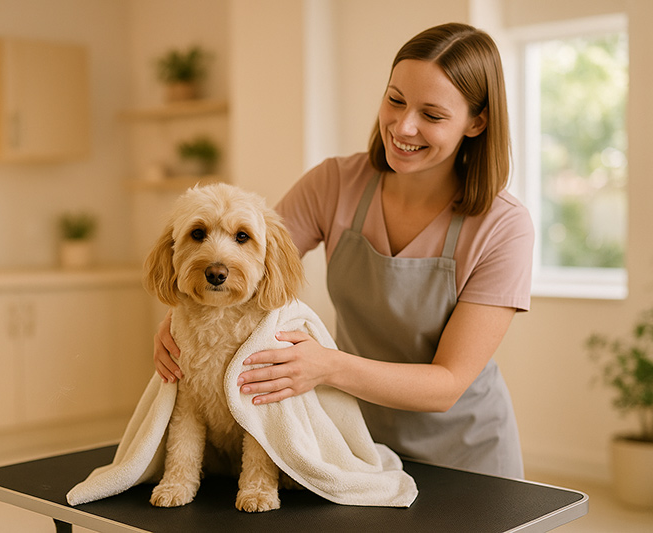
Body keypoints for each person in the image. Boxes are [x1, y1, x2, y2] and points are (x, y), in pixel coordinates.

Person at [153, 22, 533, 479]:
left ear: (477, 121)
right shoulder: (334, 184)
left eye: (431, 115)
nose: (403, 125)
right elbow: (247, 263)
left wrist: (325, 366)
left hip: (465, 456)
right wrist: (182, 319)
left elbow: (447, 384)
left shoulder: (504, 227)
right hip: (352, 441)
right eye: (395, 100)